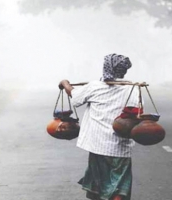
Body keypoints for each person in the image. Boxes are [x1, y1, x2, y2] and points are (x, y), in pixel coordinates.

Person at [59, 53, 140, 200]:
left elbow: (75, 97)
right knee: (119, 185)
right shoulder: (133, 89)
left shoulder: (95, 87)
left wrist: (65, 83)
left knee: (99, 184)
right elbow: (137, 115)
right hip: (121, 146)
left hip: (98, 146)